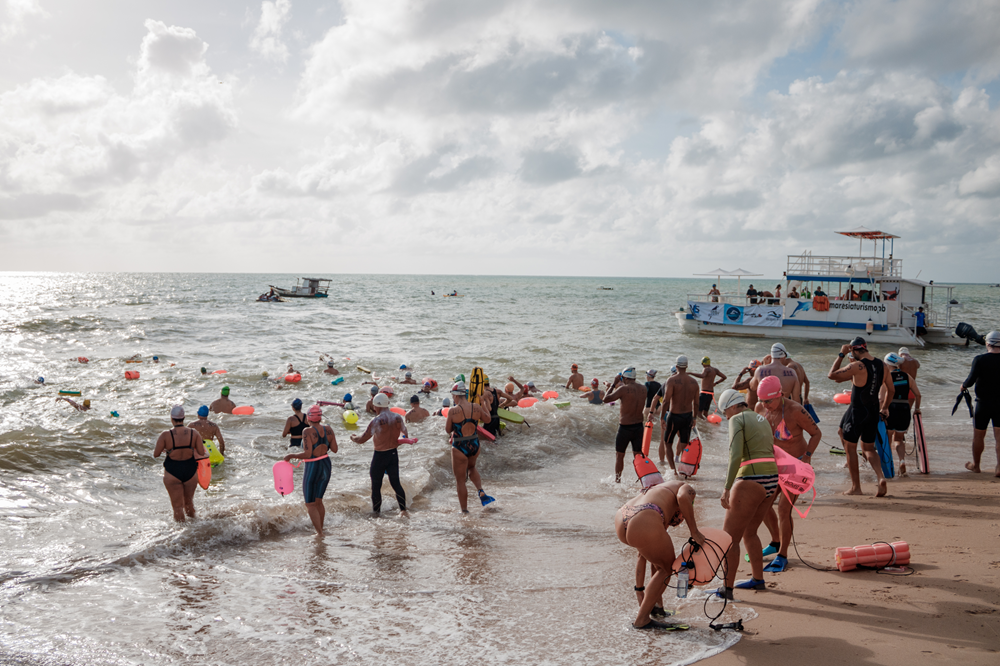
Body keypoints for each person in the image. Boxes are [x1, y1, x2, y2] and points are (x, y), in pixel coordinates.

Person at [614, 480, 703, 629]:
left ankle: (656, 608)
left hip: (622, 516)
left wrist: (639, 590)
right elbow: (683, 497)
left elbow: (642, 557)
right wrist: (694, 531)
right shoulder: (686, 487)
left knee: (659, 563)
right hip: (643, 518)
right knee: (667, 569)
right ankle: (641, 620)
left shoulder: (658, 492)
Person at [754, 376, 821, 573]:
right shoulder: (761, 409)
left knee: (784, 509)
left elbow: (816, 434)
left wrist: (807, 457)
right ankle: (775, 541)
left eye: (769, 401)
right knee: (763, 503)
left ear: (780, 395)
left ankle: (782, 555)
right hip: (773, 465)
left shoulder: (795, 410)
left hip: (795, 465)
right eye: (762, 401)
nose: (765, 405)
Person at [716, 389, 779, 599]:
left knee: (728, 539)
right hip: (771, 480)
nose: (725, 417)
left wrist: (727, 487)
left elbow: (735, 455)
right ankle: (758, 580)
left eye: (725, 412)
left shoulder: (737, 419)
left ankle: (727, 589)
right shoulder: (761, 418)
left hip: (751, 480)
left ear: (733, 407)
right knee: (749, 532)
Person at [828, 337, 894, 496]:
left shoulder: (857, 366)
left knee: (850, 448)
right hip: (873, 411)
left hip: (857, 412)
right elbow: (891, 390)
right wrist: (885, 408)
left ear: (855, 350)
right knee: (869, 449)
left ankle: (856, 487)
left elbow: (832, 375)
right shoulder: (882, 365)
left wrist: (841, 354)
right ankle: (880, 477)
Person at [352, 393, 411, 516]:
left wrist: (353, 438)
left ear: (376, 406)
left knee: (376, 486)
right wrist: (397, 442)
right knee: (396, 483)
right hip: (393, 454)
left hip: (379, 456)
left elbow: (362, 439)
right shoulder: (398, 418)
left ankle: (377, 513)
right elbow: (405, 435)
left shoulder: (376, 420)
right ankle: (403, 511)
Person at [284, 405, 338, 534]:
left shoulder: (307, 431)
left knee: (310, 504)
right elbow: (335, 449)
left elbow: (308, 454)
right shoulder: (328, 429)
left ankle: (319, 534)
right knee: (319, 501)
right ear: (320, 417)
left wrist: (292, 456)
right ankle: (321, 529)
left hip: (313, 466)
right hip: (326, 464)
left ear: (308, 418)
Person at [445, 382, 495, 512]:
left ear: (455, 396)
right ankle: (481, 490)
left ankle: (464, 511)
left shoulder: (453, 411)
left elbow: (448, 429)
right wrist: (483, 402)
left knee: (460, 481)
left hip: (460, 446)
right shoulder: (476, 407)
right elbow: (488, 419)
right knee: (472, 467)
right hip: (474, 444)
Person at [152, 406, 208, 522]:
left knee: (178, 508)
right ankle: (196, 529)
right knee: (189, 504)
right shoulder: (194, 433)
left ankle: (181, 536)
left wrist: (167, 450)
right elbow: (201, 452)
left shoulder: (165, 435)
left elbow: (156, 454)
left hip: (173, 472)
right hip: (190, 471)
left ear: (172, 418)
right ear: (184, 418)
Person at [961, 330, 1000, 477]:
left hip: (983, 403)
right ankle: (999, 467)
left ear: (988, 343)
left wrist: (963, 386)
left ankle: (976, 466)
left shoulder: (980, 359)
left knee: (978, 436)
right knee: (999, 437)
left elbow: (970, 381)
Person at [602, 367, 647, 483]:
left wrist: (613, 384)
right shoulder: (643, 388)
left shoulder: (623, 389)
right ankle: (643, 480)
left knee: (620, 455)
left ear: (625, 378)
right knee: (638, 456)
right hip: (639, 427)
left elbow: (605, 399)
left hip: (625, 428)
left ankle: (618, 481)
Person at [655, 357, 699, 473]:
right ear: (686, 366)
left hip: (674, 416)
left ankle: (673, 470)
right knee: (685, 445)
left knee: (667, 443)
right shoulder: (694, 382)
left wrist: (662, 418)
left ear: (677, 366)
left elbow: (666, 401)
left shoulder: (671, 380)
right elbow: (696, 403)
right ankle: (685, 470)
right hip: (688, 416)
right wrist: (694, 418)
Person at [881, 353, 921, 476]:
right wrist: (917, 409)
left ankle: (889, 464)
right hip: (904, 409)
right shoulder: (907, 376)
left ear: (887, 364)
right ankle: (902, 461)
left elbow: (882, 398)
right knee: (898, 439)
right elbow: (918, 395)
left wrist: (883, 410)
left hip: (891, 409)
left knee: (887, 439)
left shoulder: (886, 377)